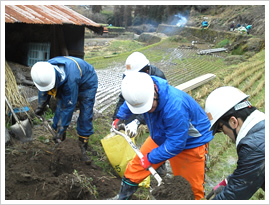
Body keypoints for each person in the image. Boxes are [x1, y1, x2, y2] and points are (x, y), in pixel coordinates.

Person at [113, 72, 213, 200]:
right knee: (136, 168)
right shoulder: (141, 90)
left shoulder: (175, 107)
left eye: (148, 107)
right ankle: (121, 199)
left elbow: (176, 143)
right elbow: (133, 102)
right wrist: (120, 118)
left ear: (154, 92)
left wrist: (151, 158)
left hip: (190, 143)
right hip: (162, 135)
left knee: (190, 189)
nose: (147, 111)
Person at [31, 56, 98, 165]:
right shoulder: (44, 71)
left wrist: (62, 128)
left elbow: (68, 107)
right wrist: (40, 106)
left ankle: (83, 147)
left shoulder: (70, 81)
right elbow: (44, 89)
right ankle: (60, 144)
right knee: (59, 111)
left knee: (85, 114)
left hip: (87, 82)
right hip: (69, 78)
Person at [205, 86, 265, 200]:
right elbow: (250, 170)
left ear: (233, 122)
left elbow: (232, 197)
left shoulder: (253, 147)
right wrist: (228, 181)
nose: (224, 133)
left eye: (221, 129)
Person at [112, 51, 166, 138]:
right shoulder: (128, 77)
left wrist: (137, 121)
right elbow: (124, 98)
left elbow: (152, 104)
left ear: (146, 71)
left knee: (155, 128)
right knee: (125, 125)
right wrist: (117, 118)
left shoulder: (157, 78)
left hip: (153, 107)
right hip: (138, 100)